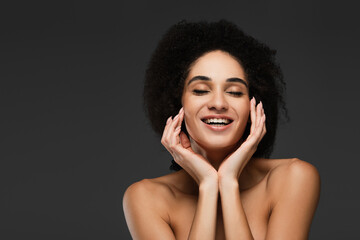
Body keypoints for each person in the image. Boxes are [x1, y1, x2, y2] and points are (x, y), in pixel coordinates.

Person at [123, 19, 320, 240]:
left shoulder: (293, 178)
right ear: (178, 105)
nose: (218, 103)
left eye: (235, 92)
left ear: (253, 107)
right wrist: (208, 184)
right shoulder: (145, 198)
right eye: (200, 90)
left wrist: (228, 182)